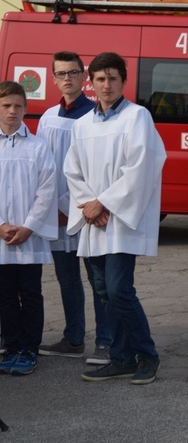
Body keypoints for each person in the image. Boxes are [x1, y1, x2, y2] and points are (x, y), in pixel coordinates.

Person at [64, 52, 166, 384]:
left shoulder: (138, 118)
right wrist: (89, 206)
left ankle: (147, 355)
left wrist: (104, 203)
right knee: (102, 289)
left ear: (124, 80)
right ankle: (121, 357)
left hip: (120, 220)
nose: (106, 85)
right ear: (90, 83)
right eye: (100, 79)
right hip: (94, 220)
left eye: (112, 78)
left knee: (119, 289)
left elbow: (142, 167)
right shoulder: (81, 125)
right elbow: (72, 171)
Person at [37, 51, 112, 365]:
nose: (66, 79)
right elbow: (41, 168)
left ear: (83, 77)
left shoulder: (95, 117)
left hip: (86, 213)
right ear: (54, 79)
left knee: (99, 282)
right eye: (60, 74)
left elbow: (99, 168)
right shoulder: (47, 118)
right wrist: (49, 207)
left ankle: (106, 342)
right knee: (66, 280)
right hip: (54, 215)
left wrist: (73, 206)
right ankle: (74, 338)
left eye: (72, 73)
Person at [0, 81, 57, 375]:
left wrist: (29, 227)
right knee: (5, 293)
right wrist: (2, 226)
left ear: (26, 108)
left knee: (30, 292)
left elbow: (47, 190)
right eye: (6, 105)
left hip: (28, 237)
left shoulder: (37, 146)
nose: (12, 111)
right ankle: (11, 344)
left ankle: (30, 347)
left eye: (18, 106)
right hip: (2, 237)